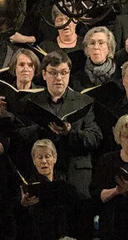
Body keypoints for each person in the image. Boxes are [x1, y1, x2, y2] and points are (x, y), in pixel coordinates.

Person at [17, 51, 102, 197]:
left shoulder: (84, 102)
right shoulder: (30, 102)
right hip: (42, 175)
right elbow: (20, 137)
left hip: (75, 174)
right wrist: (43, 128)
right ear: (44, 74)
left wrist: (70, 132)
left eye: (64, 73)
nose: (59, 78)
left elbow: (95, 138)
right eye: (53, 73)